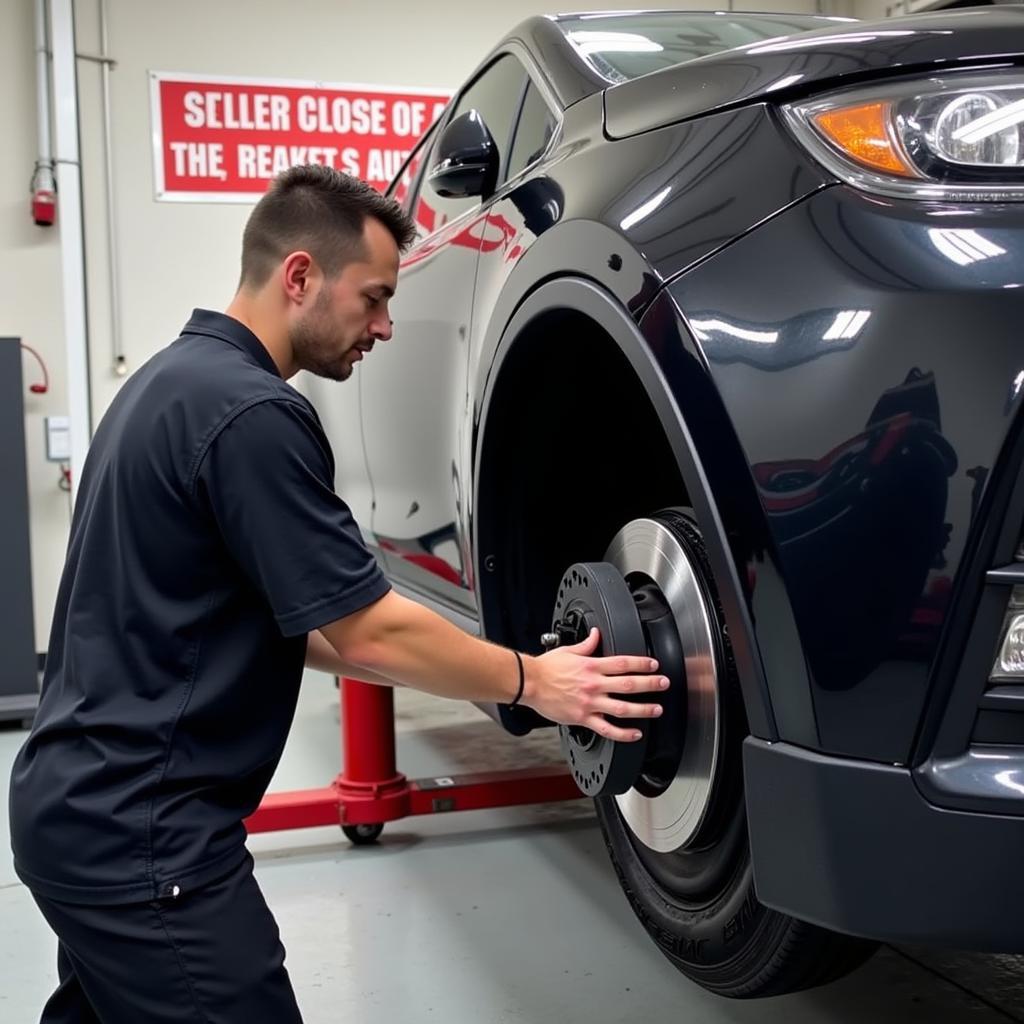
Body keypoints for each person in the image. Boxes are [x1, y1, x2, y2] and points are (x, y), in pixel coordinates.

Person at [8, 164, 668, 1023]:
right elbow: (364, 633)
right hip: (144, 836)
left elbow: (294, 625)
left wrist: (449, 661)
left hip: (75, 809)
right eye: (375, 298)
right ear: (299, 277)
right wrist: (536, 681)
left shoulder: (164, 387)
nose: (387, 326)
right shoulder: (252, 415)